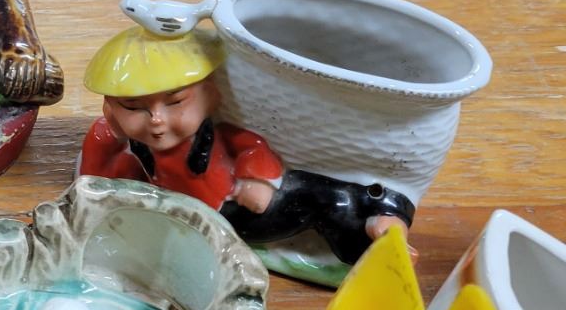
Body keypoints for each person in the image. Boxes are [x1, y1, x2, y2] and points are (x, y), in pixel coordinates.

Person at [80, 19, 412, 266]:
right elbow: (101, 185)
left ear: (210, 96)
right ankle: (372, 241)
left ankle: (383, 216)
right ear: (112, 110)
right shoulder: (128, 148)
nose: (156, 120)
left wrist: (257, 180)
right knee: (322, 200)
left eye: (175, 102)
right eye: (134, 108)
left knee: (316, 193)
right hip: (221, 221)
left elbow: (250, 147)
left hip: (240, 204)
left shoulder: (216, 136)